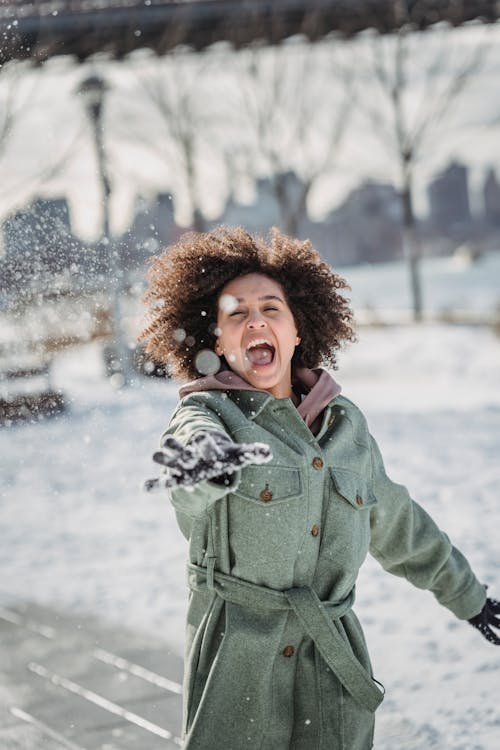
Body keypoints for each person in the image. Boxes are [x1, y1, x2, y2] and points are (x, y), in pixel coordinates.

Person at [140, 226, 499, 750]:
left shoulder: (344, 425)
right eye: (236, 313)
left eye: (271, 309)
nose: (255, 320)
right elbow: (189, 467)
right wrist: (202, 466)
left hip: (332, 665)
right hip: (239, 668)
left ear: (296, 331)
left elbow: (396, 520)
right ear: (216, 341)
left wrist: (467, 596)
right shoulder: (207, 414)